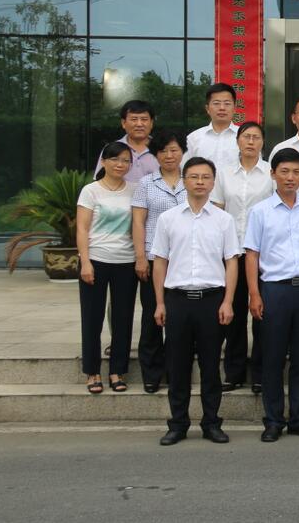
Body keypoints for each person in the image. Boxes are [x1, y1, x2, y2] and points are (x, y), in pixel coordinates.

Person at [151, 156, 239, 446]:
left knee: (211, 366)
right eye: (194, 177)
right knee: (177, 366)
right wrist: (160, 302)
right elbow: (160, 261)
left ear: (213, 183)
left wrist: (228, 301)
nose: (200, 182)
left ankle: (211, 423)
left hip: (211, 300)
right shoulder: (168, 219)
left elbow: (231, 262)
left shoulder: (224, 220)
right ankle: (178, 424)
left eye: (205, 177)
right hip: (177, 300)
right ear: (184, 181)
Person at [243, 148, 299, 443]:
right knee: (273, 358)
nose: (290, 177)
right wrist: (254, 294)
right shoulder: (260, 211)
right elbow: (252, 255)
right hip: (274, 290)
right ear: (273, 174)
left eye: (296, 172)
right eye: (285, 171)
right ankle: (274, 420)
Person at [209, 121, 274, 394]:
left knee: (262, 314)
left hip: (263, 253)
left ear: (262, 142)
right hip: (232, 253)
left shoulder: (271, 173)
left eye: (256, 137)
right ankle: (234, 372)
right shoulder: (224, 174)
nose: (251, 142)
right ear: (237, 141)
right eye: (246, 137)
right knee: (233, 314)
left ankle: (260, 373)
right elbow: (216, 212)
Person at [76, 142, 139, 394]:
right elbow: (82, 228)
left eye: (125, 160)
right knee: (92, 318)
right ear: (103, 162)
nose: (120, 164)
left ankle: (117, 371)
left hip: (126, 261)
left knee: (123, 318)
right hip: (96, 260)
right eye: (114, 159)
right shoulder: (91, 191)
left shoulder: (135, 190)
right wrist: (85, 261)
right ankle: (92, 372)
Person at [130, 130, 187, 394]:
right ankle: (152, 373)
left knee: (179, 320)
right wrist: (141, 257)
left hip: (184, 260)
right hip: (154, 259)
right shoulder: (146, 184)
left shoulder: (193, 180)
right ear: (156, 155)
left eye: (174, 150)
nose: (169, 155)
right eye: (163, 151)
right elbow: (138, 221)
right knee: (152, 315)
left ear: (183, 152)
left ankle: (175, 372)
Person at [94, 99, 159, 182]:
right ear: (123, 123)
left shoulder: (163, 148)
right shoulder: (111, 149)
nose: (139, 124)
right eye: (134, 119)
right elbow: (99, 182)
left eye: (144, 119)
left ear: (151, 123)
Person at [186, 82, 240, 169]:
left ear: (234, 108)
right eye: (216, 103)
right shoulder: (194, 138)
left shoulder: (245, 137)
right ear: (207, 108)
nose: (222, 108)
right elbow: (186, 170)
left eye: (227, 103)